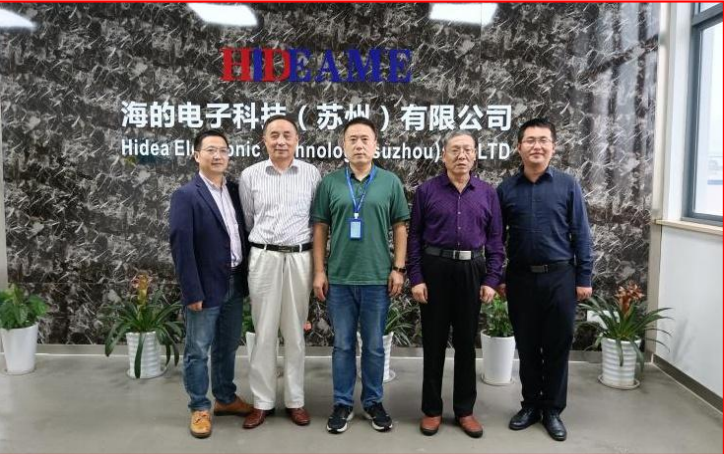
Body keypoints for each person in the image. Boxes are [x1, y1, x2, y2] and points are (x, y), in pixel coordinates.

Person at [497, 118, 593, 442]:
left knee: (556, 346)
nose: (536, 146)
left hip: (560, 277)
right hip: (520, 278)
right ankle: (530, 406)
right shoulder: (506, 189)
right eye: (530, 140)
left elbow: (581, 233)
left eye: (543, 140)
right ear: (519, 147)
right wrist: (498, 276)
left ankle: (552, 410)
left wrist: (584, 276)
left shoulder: (567, 185)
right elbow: (496, 239)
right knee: (526, 345)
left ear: (553, 147)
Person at [311, 117, 410, 434]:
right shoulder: (330, 183)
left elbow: (400, 227)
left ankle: (373, 402)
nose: (359, 145)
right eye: (352, 139)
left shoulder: (390, 182)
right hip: (339, 279)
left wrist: (398, 268)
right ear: (343, 145)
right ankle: (342, 403)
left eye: (365, 139)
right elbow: (320, 229)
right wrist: (319, 271)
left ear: (375, 145)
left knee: (374, 346)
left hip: (377, 279)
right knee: (342, 345)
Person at [407, 130, 505, 438]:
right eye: (455, 150)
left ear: (475, 155)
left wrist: (491, 279)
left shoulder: (487, 193)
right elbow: (414, 237)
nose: (461, 155)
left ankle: (464, 410)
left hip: (471, 270)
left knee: (465, 344)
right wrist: (416, 277)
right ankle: (432, 410)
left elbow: (496, 240)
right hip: (435, 269)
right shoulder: (427, 191)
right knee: (434, 343)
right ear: (443, 155)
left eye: (467, 150)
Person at [238, 114, 321, 429]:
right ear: (264, 140)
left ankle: (295, 401)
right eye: (274, 135)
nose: (281, 141)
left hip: (300, 258)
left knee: (295, 333)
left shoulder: (311, 174)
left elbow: (316, 220)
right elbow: (248, 219)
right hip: (264, 257)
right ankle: (262, 402)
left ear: (297, 140)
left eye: (287, 135)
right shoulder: (251, 175)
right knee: (264, 332)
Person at [169, 129, 253, 439]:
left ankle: (225, 397)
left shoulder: (235, 190)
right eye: (210, 150)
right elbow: (181, 245)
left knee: (227, 346)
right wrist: (191, 290)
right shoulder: (186, 195)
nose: (218, 156)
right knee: (198, 350)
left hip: (234, 281)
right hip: (204, 287)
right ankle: (199, 407)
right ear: (197, 155)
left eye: (223, 150)